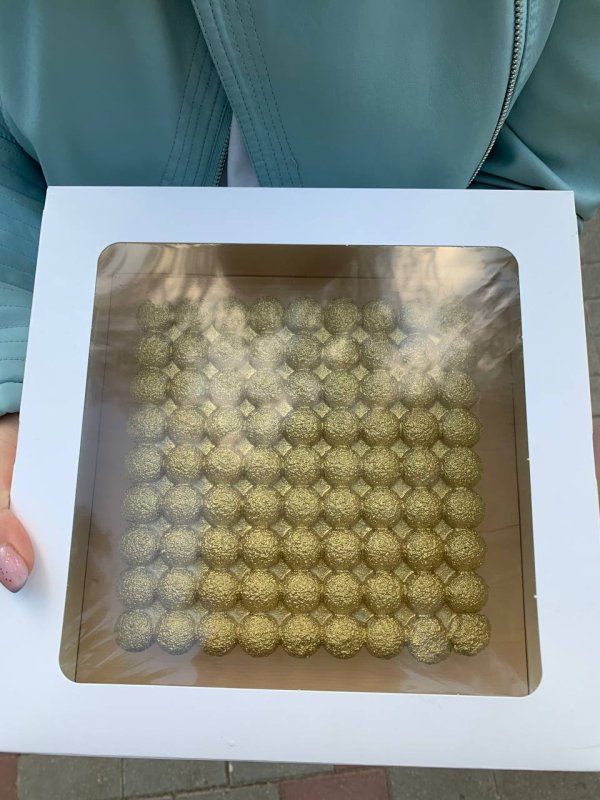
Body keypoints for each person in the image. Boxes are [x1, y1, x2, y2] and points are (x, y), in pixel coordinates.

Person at [0, 0, 598, 593]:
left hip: (420, 332)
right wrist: (16, 364)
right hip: (109, 360)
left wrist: (493, 281)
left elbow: (553, 139)